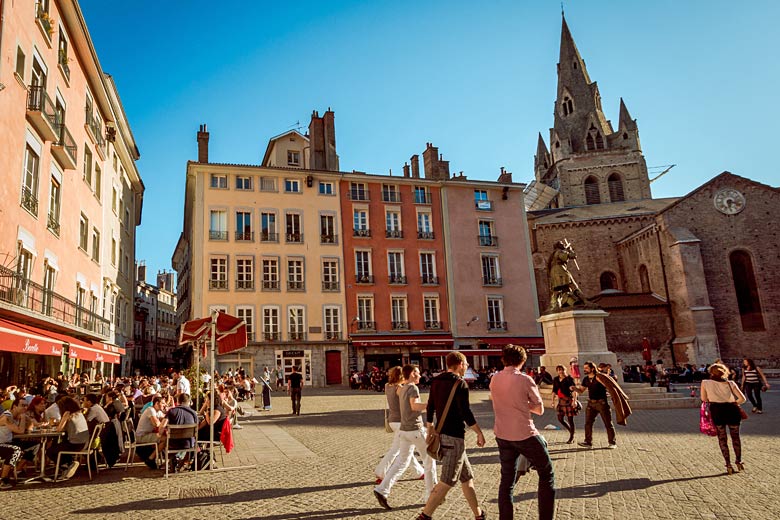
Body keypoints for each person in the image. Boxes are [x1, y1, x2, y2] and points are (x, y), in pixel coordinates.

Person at [415, 352, 486, 520]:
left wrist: (430, 427)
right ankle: (425, 516)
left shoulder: (437, 380)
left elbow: (431, 405)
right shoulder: (460, 384)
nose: (467, 366)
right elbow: (465, 412)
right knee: (447, 480)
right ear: (460, 364)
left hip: (442, 433)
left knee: (467, 478)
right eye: (466, 363)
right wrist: (479, 432)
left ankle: (479, 515)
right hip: (454, 437)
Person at [490, 345, 555, 520]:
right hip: (524, 434)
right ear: (522, 360)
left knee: (507, 481)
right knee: (546, 474)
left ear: (503, 359)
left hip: (502, 434)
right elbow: (540, 409)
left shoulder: (494, 379)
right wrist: (523, 404)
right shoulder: (525, 379)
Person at [373, 366, 432, 508]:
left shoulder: (389, 386)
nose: (419, 375)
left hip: (398, 424)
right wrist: (432, 405)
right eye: (416, 373)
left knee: (403, 457)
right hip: (408, 425)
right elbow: (413, 406)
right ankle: (431, 494)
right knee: (426, 459)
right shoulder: (404, 388)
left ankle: (383, 488)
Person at [701, 363, 747, 474]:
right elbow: (743, 399)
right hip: (732, 410)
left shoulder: (705, 383)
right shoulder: (730, 383)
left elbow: (704, 398)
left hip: (717, 410)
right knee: (735, 437)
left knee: (722, 438)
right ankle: (738, 461)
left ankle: (728, 464)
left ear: (711, 372)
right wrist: (733, 403)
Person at [572, 361, 617, 449]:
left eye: (586, 368)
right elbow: (581, 390)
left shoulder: (599, 377)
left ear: (592, 368)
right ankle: (588, 442)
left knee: (608, 423)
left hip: (601, 403)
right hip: (591, 404)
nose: (584, 370)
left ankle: (612, 442)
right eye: (584, 368)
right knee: (588, 423)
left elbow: (609, 386)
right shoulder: (586, 379)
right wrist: (574, 388)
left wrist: (610, 393)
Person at [48, 396, 89, 480]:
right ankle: (69, 464)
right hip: (84, 442)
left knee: (50, 451)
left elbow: (59, 429)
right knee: (58, 446)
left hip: (75, 444)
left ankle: (67, 465)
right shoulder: (79, 413)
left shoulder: (67, 413)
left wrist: (58, 422)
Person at [551, 365, 578, 444]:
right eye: (558, 370)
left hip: (568, 400)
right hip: (561, 401)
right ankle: (571, 431)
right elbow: (554, 390)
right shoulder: (556, 379)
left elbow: (574, 391)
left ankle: (571, 437)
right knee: (560, 418)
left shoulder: (569, 379)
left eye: (562, 370)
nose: (560, 371)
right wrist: (552, 401)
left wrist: (575, 401)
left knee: (570, 419)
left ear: (565, 370)